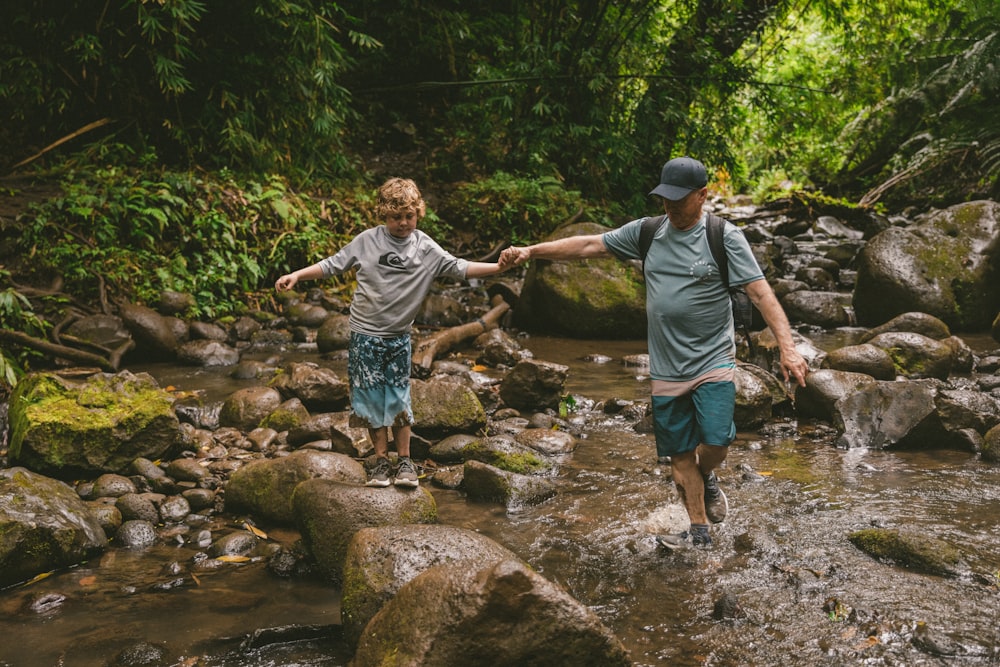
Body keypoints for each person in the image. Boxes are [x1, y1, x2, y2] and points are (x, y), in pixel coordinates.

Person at [502, 156, 809, 550]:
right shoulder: (648, 232)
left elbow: (760, 293)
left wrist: (788, 348)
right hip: (666, 368)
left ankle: (709, 476)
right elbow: (589, 244)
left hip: (713, 359)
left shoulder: (723, 236)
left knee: (715, 444)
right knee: (680, 456)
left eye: (680, 199)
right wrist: (532, 251)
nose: (671, 207)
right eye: (665, 198)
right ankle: (700, 532)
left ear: (703, 195)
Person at [276, 177, 510, 488]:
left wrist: (497, 268)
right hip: (364, 334)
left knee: (398, 400)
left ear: (418, 214)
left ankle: (405, 463)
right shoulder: (367, 241)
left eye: (409, 216)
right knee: (371, 399)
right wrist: (297, 275)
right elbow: (333, 264)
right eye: (395, 216)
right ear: (384, 215)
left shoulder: (425, 247)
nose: (402, 223)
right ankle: (381, 462)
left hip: (398, 337)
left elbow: (460, 267)